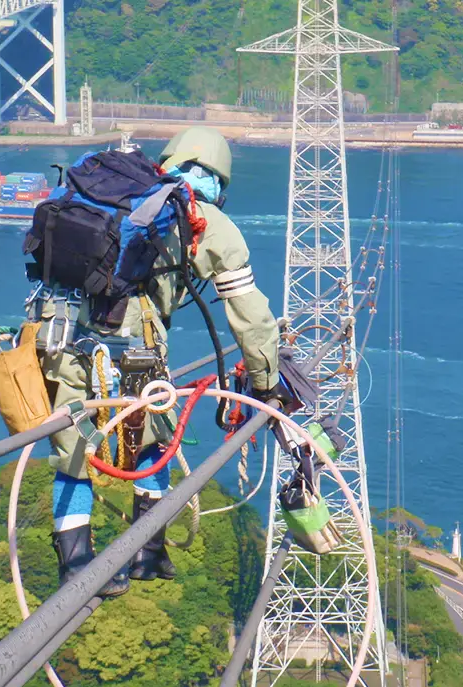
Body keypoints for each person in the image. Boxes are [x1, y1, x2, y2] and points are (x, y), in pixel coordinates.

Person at [38, 126, 285, 597]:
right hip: (136, 347)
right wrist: (265, 382)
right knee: (154, 437)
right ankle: (147, 550)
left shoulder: (109, 192)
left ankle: (75, 563)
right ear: (219, 182)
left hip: (62, 336)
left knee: (72, 449)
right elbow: (252, 319)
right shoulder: (204, 218)